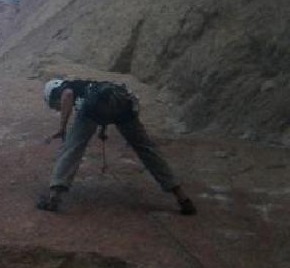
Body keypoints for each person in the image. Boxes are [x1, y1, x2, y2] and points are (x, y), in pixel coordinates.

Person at [37, 77, 196, 215]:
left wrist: (62, 128)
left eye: (55, 104)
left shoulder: (68, 87)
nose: (58, 108)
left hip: (93, 108)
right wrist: (104, 126)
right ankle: (182, 197)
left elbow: (68, 95)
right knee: (146, 149)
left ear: (53, 93)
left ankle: (54, 198)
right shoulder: (87, 85)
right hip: (122, 105)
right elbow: (105, 101)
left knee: (71, 148)